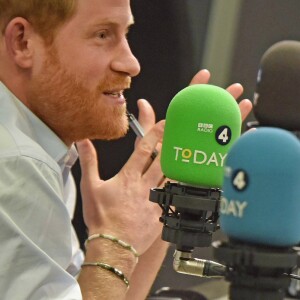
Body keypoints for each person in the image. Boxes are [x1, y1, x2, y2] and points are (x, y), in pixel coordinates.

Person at [0, 0, 252, 299]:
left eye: (126, 34)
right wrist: (114, 242)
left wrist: (158, 203)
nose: (131, 63)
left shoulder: (36, 147)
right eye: (103, 35)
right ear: (23, 42)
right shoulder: (16, 163)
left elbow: (105, 292)